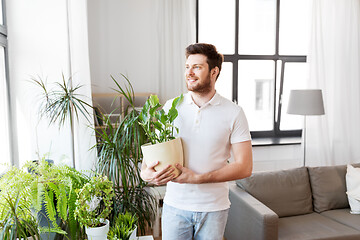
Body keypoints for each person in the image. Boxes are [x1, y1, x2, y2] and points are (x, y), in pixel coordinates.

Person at [140, 43, 253, 240]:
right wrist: (146, 174)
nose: (189, 73)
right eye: (187, 67)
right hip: (175, 207)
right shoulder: (171, 108)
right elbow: (150, 157)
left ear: (214, 71)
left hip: (214, 209)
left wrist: (198, 178)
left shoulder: (234, 112)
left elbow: (244, 167)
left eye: (197, 67)